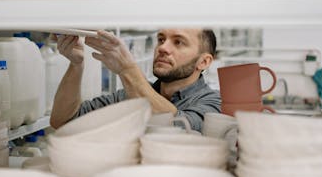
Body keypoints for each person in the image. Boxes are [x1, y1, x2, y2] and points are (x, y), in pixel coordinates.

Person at [50, 28, 220, 132]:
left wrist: (127, 69)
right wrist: (76, 65)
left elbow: (178, 128)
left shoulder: (214, 103)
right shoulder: (129, 94)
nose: (162, 48)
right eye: (161, 39)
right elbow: (64, 121)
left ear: (204, 62)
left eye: (178, 42)